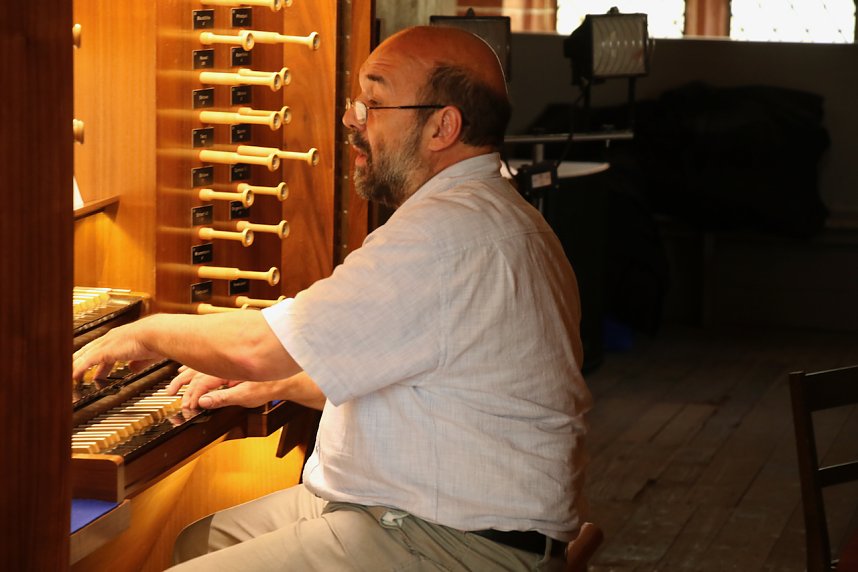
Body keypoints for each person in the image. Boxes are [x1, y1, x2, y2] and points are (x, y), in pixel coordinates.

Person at [72, 25, 592, 572]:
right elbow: (433, 386)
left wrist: (140, 331)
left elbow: (255, 345)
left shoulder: (443, 235)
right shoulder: (490, 213)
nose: (352, 121)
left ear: (442, 126)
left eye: (374, 103)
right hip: (426, 509)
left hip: (456, 541)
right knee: (201, 544)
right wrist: (280, 383)